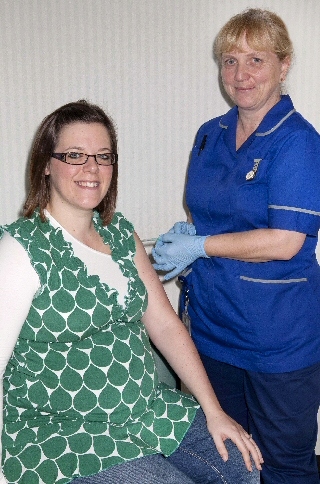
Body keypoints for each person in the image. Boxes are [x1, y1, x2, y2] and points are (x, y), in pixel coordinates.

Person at [0, 100, 262, 484]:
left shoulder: (120, 234)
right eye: (75, 155)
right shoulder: (20, 250)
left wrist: (213, 409)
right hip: (64, 435)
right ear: (45, 164)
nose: (92, 168)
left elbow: (166, 327)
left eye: (103, 156)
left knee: (243, 466)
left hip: (147, 413)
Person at [152, 8, 320, 484]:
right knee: (228, 456)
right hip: (212, 326)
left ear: (283, 66)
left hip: (277, 340)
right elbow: (206, 215)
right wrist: (187, 236)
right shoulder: (211, 134)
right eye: (229, 60)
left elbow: (286, 241)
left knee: (284, 466)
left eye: (255, 60)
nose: (240, 75)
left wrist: (202, 245)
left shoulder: (299, 144)